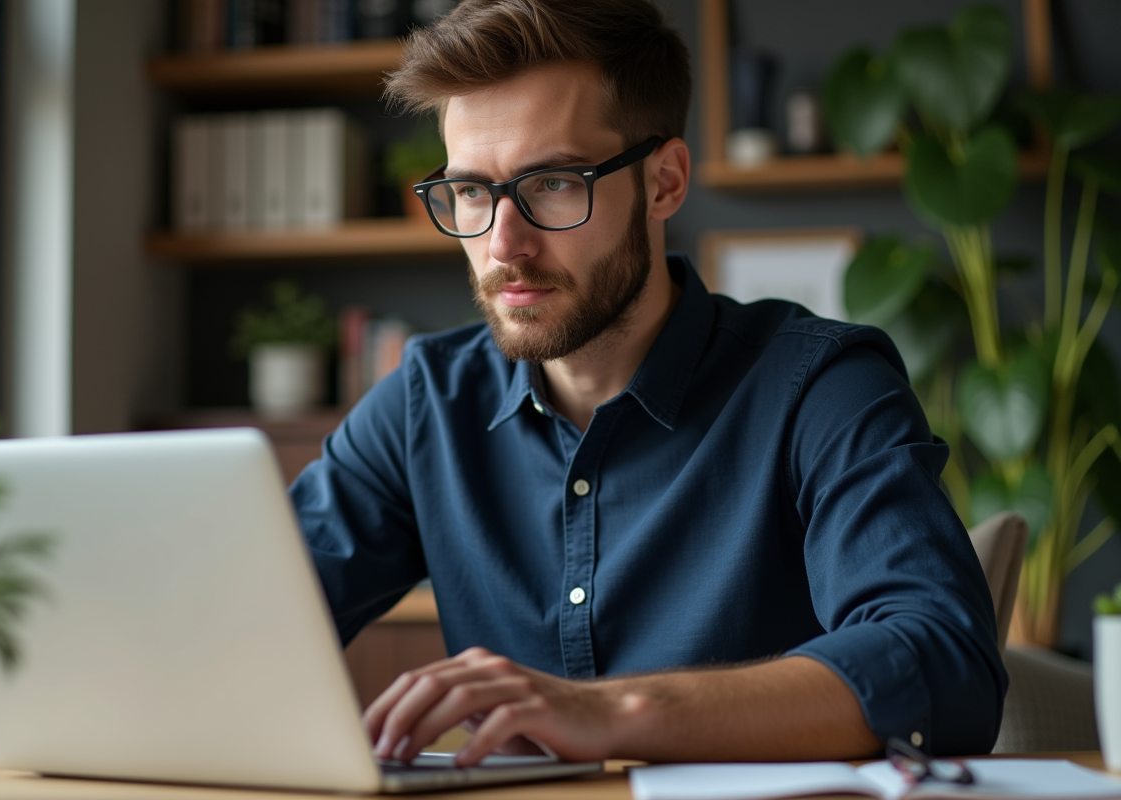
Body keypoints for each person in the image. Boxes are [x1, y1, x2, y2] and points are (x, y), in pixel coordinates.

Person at [289, 0, 1006, 767]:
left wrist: (614, 713)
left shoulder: (821, 386)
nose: (504, 244)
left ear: (664, 182)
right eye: (471, 192)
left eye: (554, 183)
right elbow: (240, 620)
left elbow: (942, 665)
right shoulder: (424, 404)